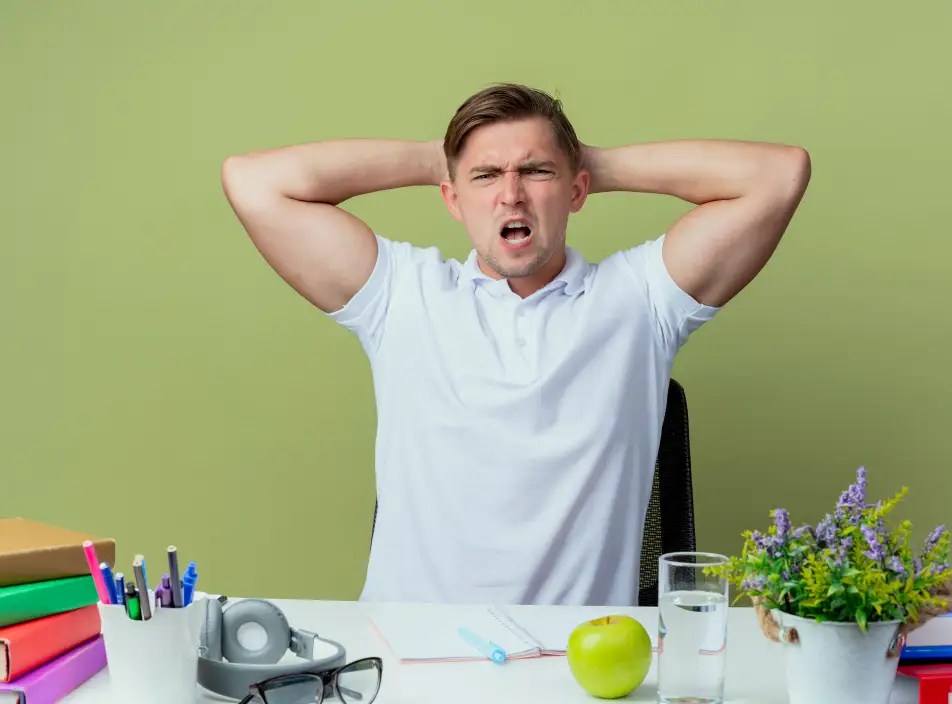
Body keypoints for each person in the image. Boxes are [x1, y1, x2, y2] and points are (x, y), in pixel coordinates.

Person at [220, 83, 811, 606]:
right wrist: (439, 158)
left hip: (574, 666)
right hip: (407, 657)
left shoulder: (639, 299)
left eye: (536, 173)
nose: (512, 194)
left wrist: (587, 162)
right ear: (451, 199)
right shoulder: (402, 294)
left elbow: (779, 174)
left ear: (578, 191)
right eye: (485, 176)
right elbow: (252, 183)